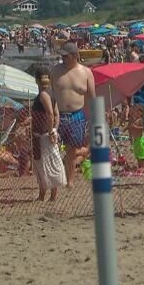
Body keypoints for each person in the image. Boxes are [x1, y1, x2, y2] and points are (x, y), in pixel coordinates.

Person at [51, 42, 96, 185]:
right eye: (62, 56)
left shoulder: (86, 72)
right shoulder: (55, 71)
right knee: (54, 149)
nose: (63, 58)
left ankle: (70, 180)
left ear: (74, 56)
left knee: (71, 150)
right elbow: (49, 94)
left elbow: (92, 96)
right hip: (59, 115)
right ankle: (56, 179)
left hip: (77, 115)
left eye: (66, 56)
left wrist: (94, 117)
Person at [32, 67, 66, 201]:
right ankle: (52, 195)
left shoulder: (43, 95)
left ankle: (43, 195)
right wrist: (54, 130)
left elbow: (51, 114)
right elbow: (57, 114)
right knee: (50, 164)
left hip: (42, 136)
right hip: (47, 134)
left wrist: (50, 130)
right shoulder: (52, 93)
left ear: (37, 80)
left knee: (42, 165)